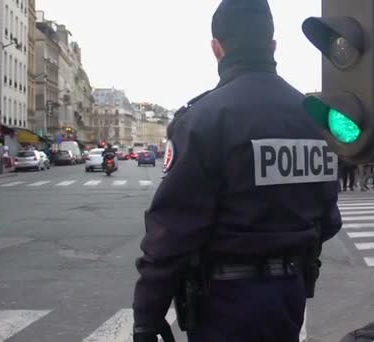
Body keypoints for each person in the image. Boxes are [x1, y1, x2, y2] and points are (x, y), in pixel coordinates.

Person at [132, 1, 342, 341]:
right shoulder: (313, 118)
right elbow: (329, 220)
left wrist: (147, 314)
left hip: (224, 305)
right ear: (273, 45)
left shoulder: (204, 119)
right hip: (290, 297)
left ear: (217, 48)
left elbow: (172, 231)